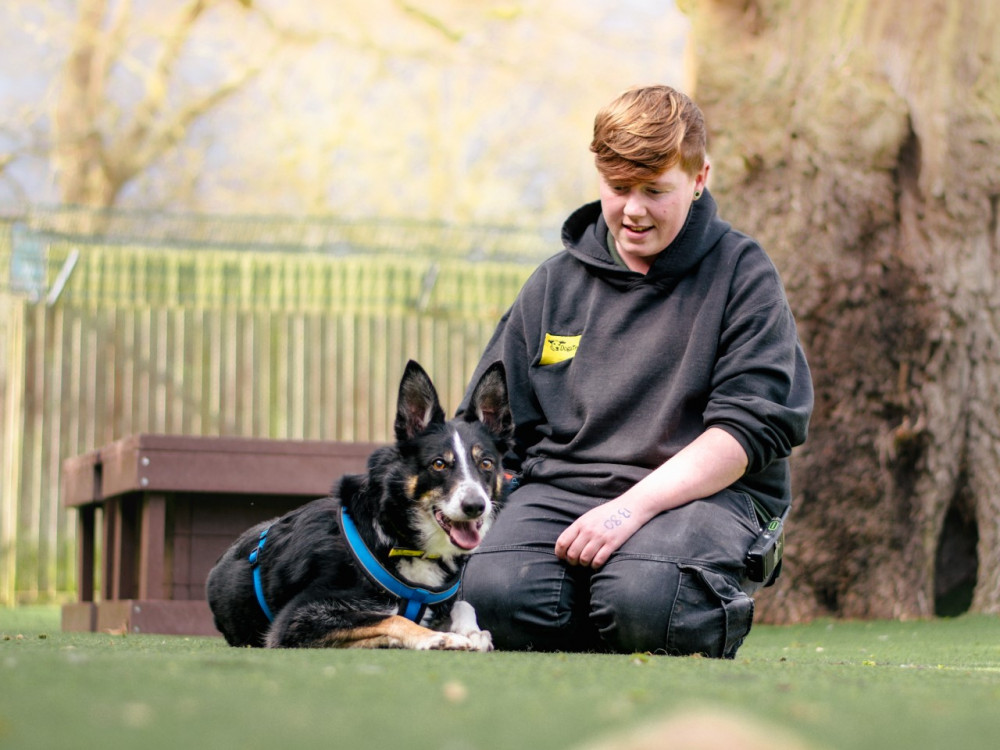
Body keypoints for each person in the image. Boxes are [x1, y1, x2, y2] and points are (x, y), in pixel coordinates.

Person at [458, 84, 813, 658]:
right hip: (561, 489)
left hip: (703, 498)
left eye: (656, 191)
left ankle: (643, 610)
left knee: (651, 600)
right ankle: (591, 620)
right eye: (619, 189)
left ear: (700, 179)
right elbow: (490, 429)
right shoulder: (553, 284)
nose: (634, 210)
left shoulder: (743, 275)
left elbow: (750, 429)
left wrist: (631, 509)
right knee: (494, 599)